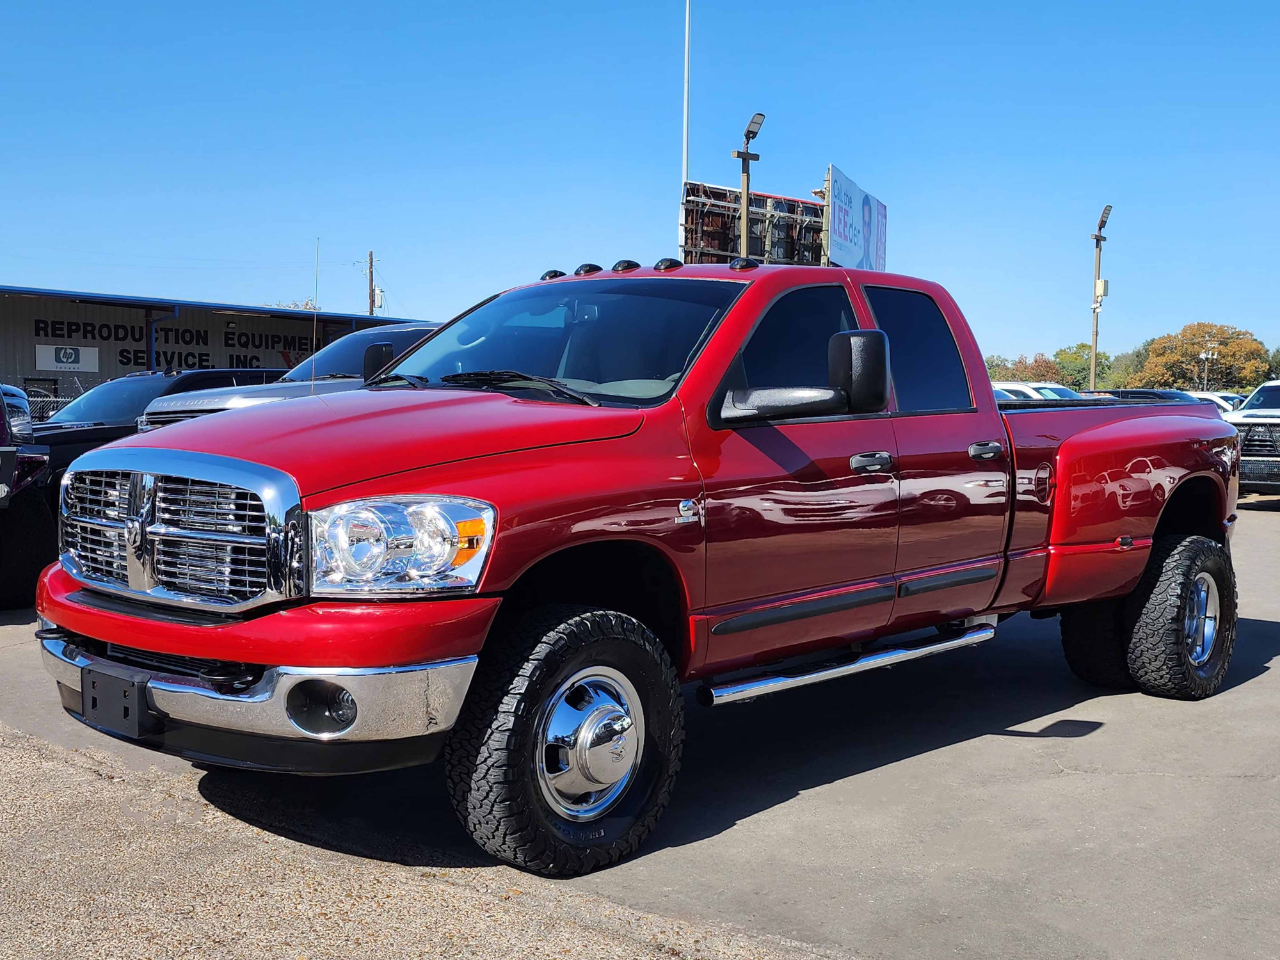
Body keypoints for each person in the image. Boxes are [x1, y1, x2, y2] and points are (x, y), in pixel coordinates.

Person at [856, 193, 876, 270]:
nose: (866, 233)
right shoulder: (857, 266)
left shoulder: (874, 269)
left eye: (868, 224)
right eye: (864, 224)